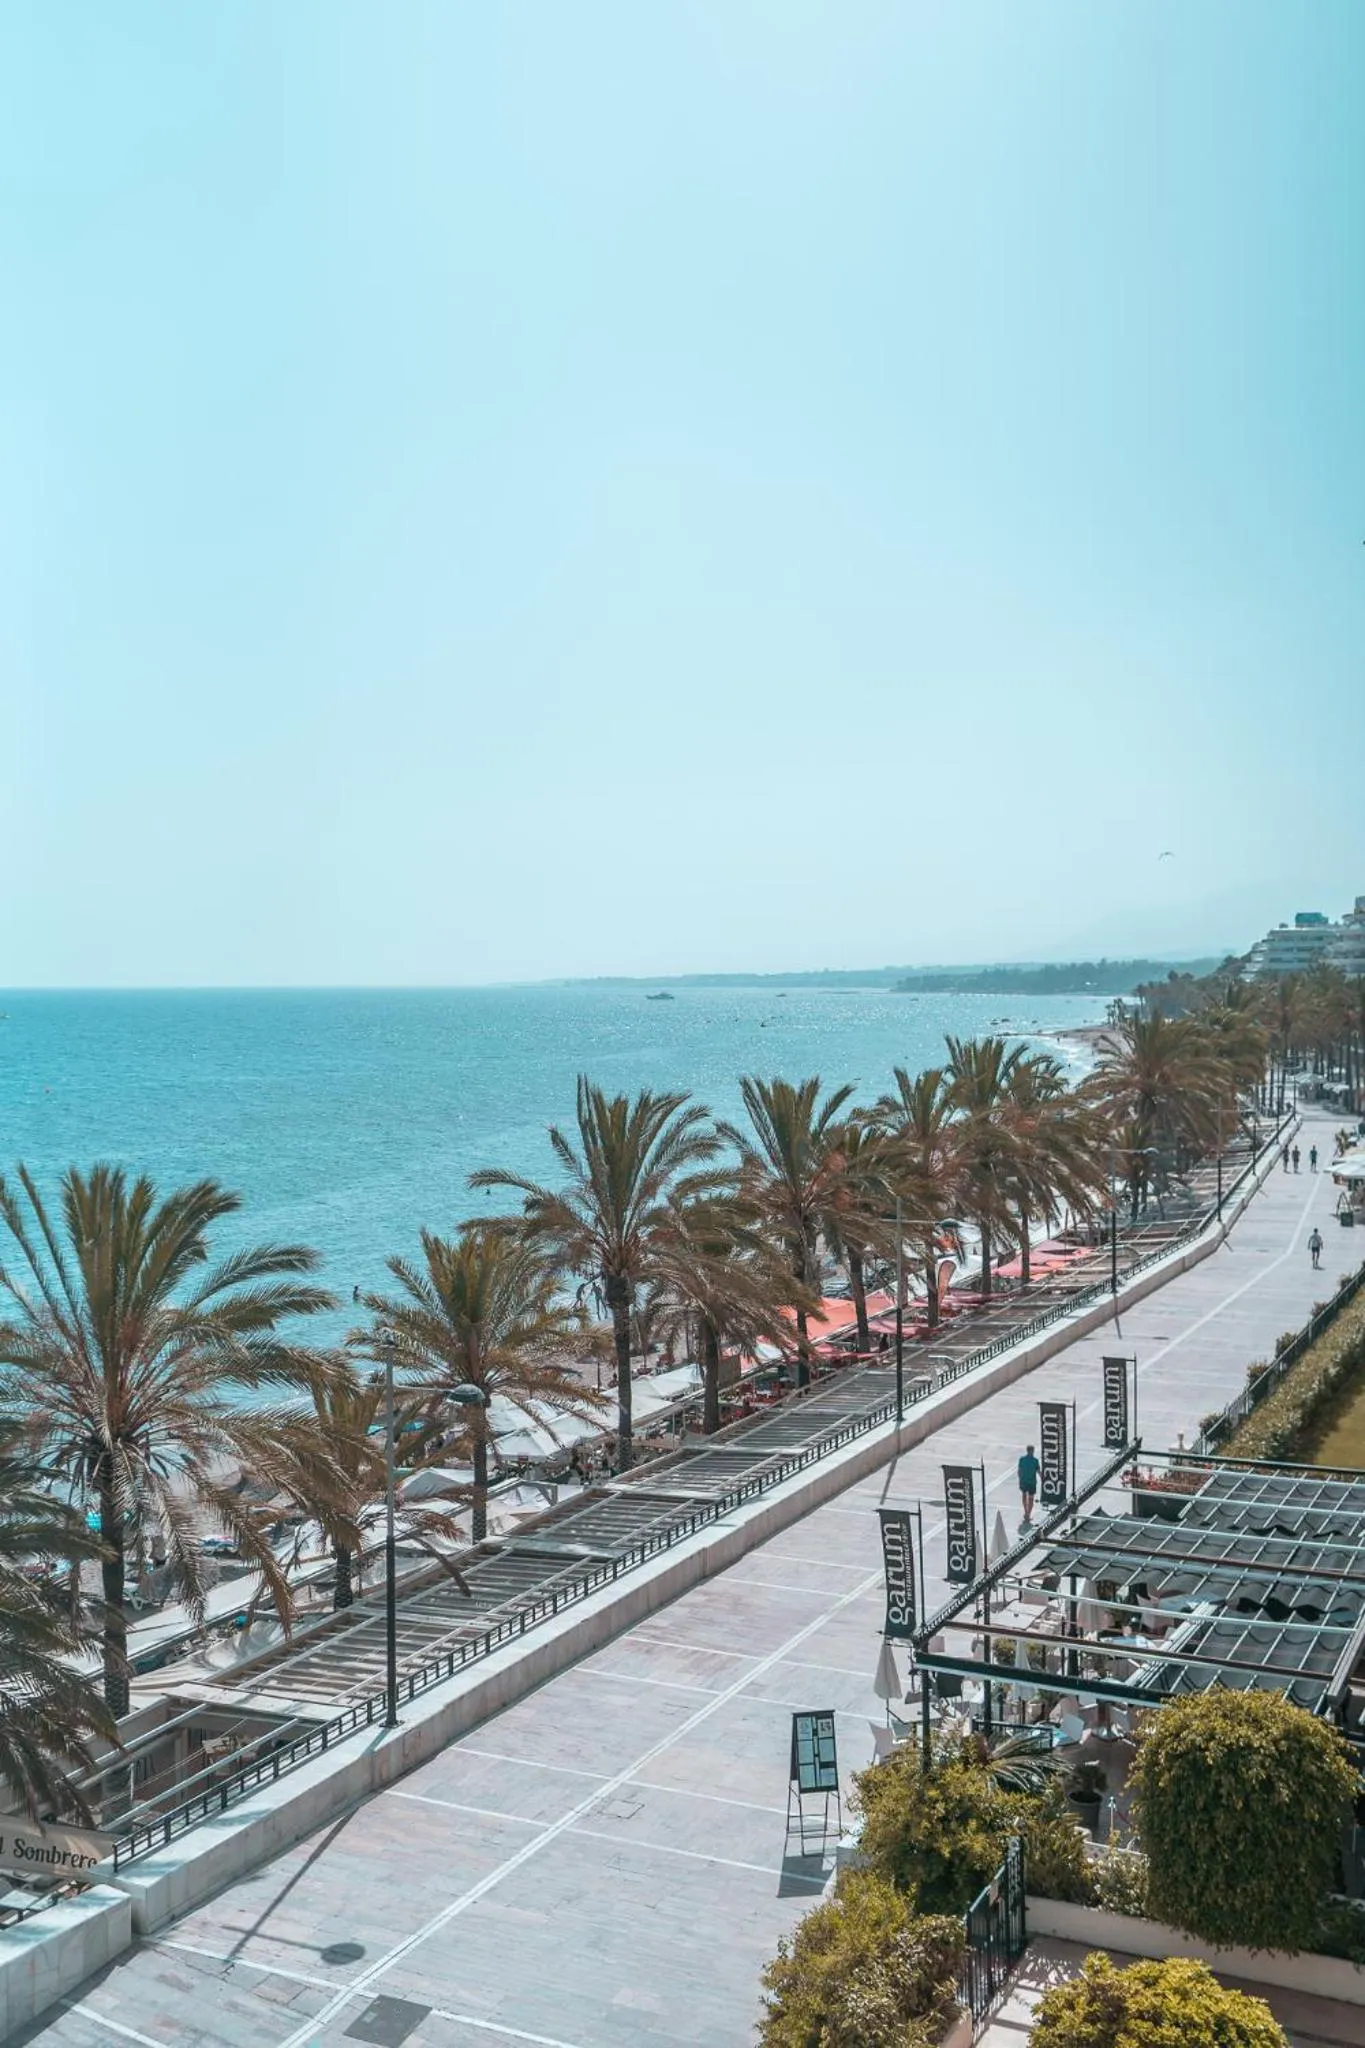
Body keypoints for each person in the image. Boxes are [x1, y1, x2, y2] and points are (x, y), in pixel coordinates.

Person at [1018, 1443, 1039, 1525]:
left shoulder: (1022, 1459)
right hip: (1032, 1482)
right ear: (1033, 1451)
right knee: (1031, 1498)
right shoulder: (1035, 1461)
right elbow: (1038, 1471)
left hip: (1023, 1481)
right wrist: (1043, 1478)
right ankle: (1028, 1514)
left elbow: (1019, 1471)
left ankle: (1025, 1511)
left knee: (1024, 1496)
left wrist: (1020, 1479)